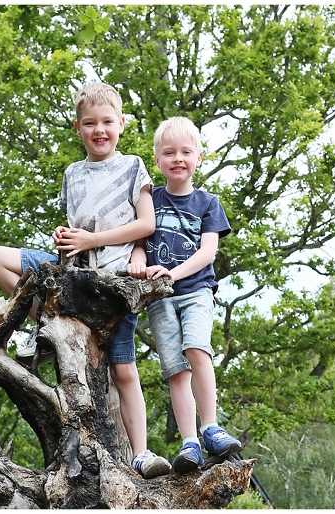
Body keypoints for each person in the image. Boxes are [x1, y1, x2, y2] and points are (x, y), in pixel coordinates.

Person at [0, 82, 171, 479]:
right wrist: (66, 240)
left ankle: (140, 453)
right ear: (78, 128)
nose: (99, 130)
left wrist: (94, 239)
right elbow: (76, 228)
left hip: (113, 283)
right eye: (90, 124)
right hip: (73, 270)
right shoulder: (73, 173)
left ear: (121, 123)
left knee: (124, 370)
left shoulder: (133, 166)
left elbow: (146, 224)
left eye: (107, 122)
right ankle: (46, 325)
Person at [128, 116, 242, 474]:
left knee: (196, 349)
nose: (178, 158)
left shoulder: (208, 203)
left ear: (199, 157)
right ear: (157, 159)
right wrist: (137, 262)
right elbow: (140, 243)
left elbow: (207, 253)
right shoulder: (150, 199)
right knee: (176, 370)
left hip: (195, 291)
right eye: (169, 152)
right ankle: (189, 441)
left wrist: (170, 274)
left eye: (186, 152)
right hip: (160, 299)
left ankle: (210, 427)